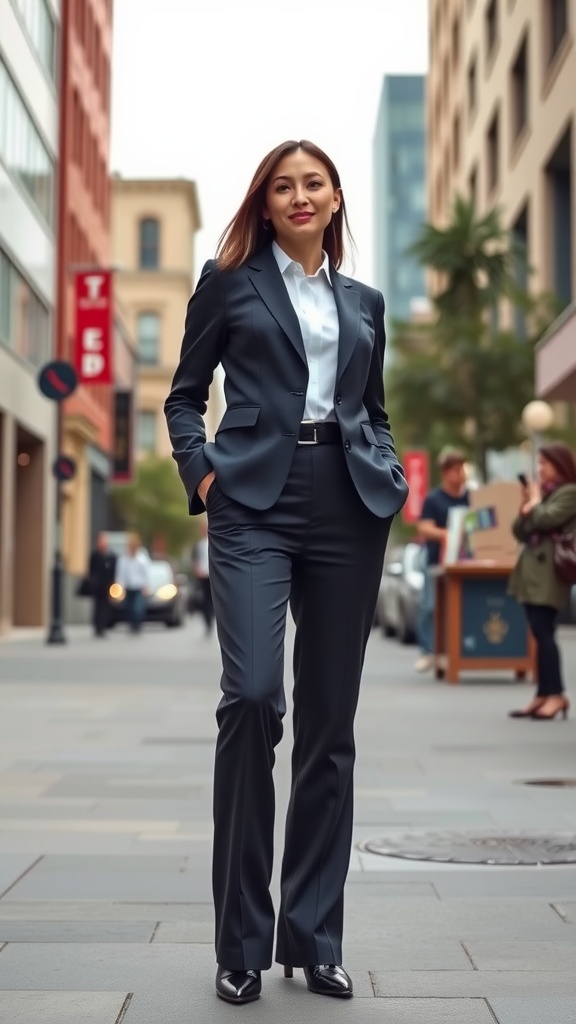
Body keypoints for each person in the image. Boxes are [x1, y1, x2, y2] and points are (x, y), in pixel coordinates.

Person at [165, 140, 408, 1005]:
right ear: (264, 204)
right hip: (254, 503)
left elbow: (370, 408)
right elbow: (184, 393)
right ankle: (239, 941)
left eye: (313, 183)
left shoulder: (366, 302)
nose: (299, 195)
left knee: (330, 729)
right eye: (282, 186)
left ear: (336, 198)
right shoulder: (229, 281)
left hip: (348, 504)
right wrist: (201, 471)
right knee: (254, 697)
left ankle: (314, 934)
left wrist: (390, 472)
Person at [508, 442, 576, 720]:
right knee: (538, 631)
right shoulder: (543, 495)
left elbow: (547, 520)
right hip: (532, 573)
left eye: (545, 463)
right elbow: (520, 531)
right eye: (539, 464)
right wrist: (526, 505)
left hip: (551, 573)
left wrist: (534, 504)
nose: (540, 469)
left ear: (559, 465)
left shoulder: (569, 492)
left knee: (544, 630)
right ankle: (543, 694)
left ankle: (557, 695)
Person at [415, 448, 469, 672]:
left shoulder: (470, 497)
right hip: (436, 561)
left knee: (459, 608)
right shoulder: (433, 499)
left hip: (464, 563)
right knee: (430, 606)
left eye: (462, 469)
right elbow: (423, 527)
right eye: (456, 469)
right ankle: (429, 651)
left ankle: (457, 650)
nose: (461, 474)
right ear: (446, 472)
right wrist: (447, 534)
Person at [115, 535, 150, 634]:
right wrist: (119, 586)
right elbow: (120, 574)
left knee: (137, 607)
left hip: (138, 587)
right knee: (128, 607)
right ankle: (131, 624)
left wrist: (146, 585)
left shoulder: (142, 560)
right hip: (128, 587)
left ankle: (137, 624)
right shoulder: (124, 560)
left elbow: (146, 574)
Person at [88, 532, 116, 637]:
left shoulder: (111, 556)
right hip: (97, 585)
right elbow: (91, 570)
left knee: (105, 606)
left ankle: (103, 626)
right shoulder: (95, 555)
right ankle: (97, 626)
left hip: (107, 585)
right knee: (97, 605)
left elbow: (113, 572)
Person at [192, 520, 214, 635]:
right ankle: (207, 623)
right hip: (203, 576)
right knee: (205, 600)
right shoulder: (198, 545)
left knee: (214, 600)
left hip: (214, 575)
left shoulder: (214, 542)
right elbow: (194, 559)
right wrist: (197, 570)